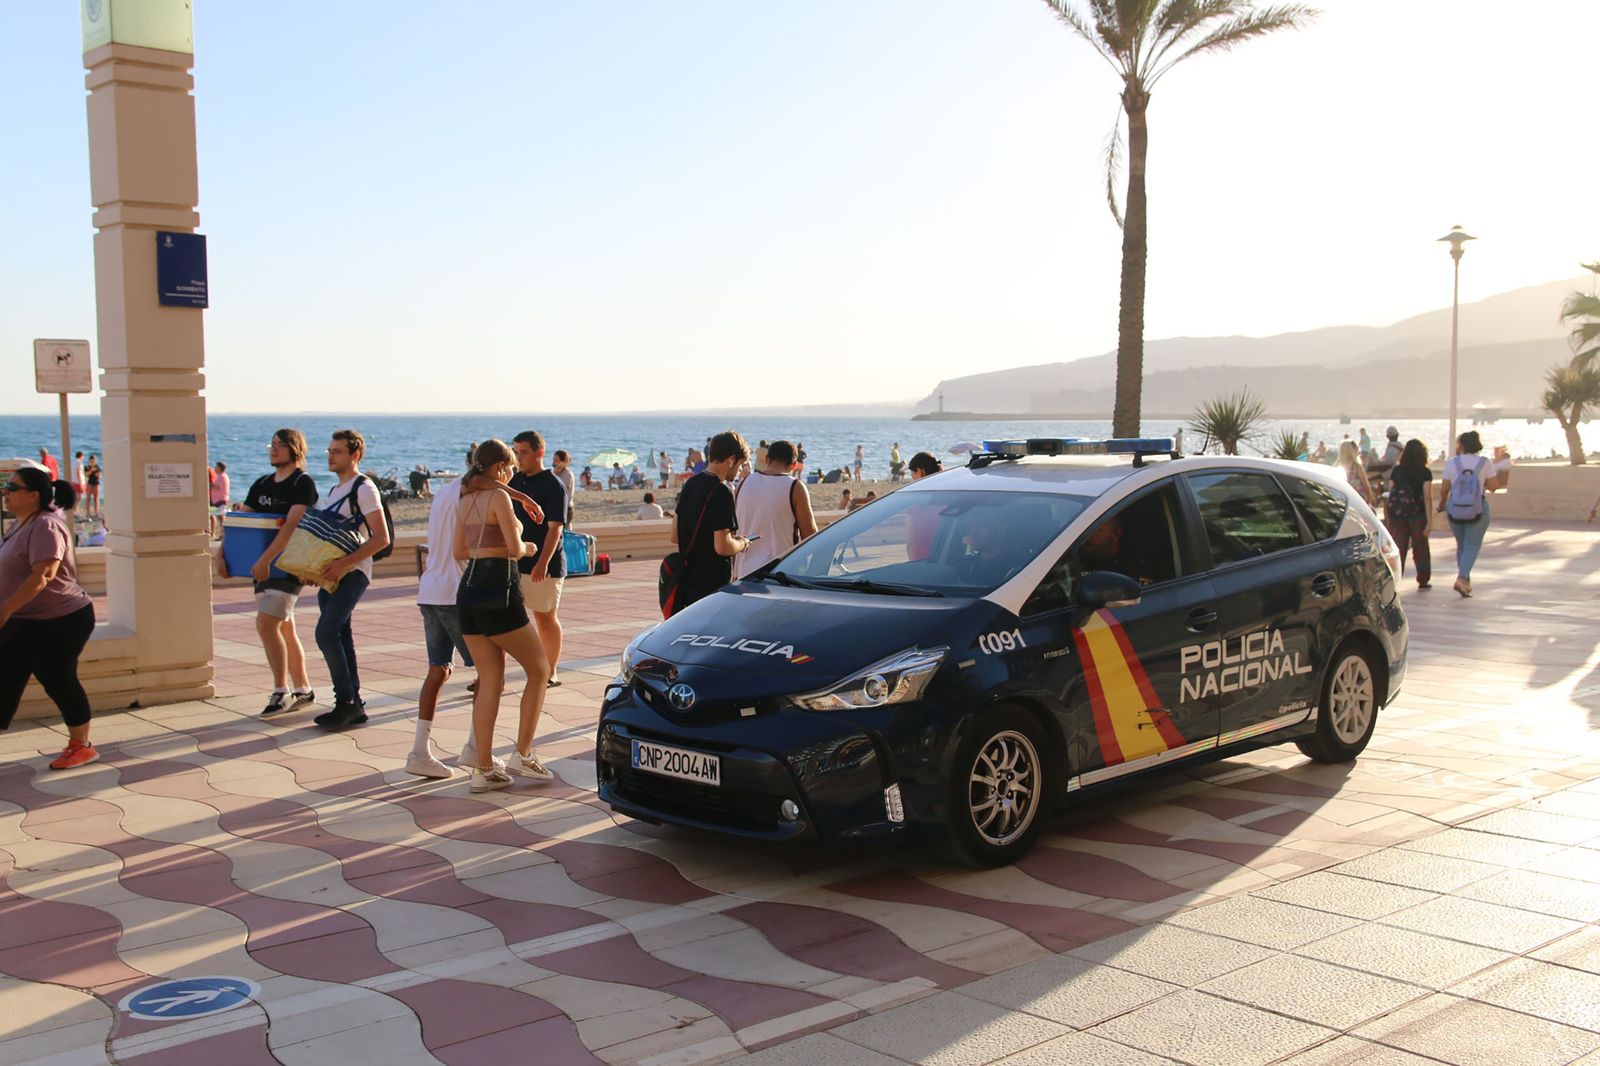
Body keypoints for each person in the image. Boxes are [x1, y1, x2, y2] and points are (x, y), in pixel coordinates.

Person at [454, 439, 554, 792]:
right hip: (499, 591)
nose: (512, 476)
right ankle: (523, 753)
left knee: (490, 678)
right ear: (500, 467)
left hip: (467, 593)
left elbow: (459, 550)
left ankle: (483, 767)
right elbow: (515, 549)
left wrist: (488, 548)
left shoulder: (465, 499)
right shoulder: (498, 498)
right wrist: (527, 547)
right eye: (509, 469)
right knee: (539, 669)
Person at [0, 468, 98, 769]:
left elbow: (43, 576)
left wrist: (4, 611)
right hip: (25, 618)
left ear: (34, 495)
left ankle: (82, 746)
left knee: (58, 680)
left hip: (60, 620)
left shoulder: (45, 526)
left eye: (11, 487)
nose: (5, 491)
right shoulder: (20, 522)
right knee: (4, 678)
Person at [222, 429, 318, 718]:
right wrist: (221, 554)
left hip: (286, 568)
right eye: (272, 445)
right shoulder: (262, 483)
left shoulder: (303, 483)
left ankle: (281, 691)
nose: (274, 450)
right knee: (283, 627)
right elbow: (240, 521)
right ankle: (303, 689)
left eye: (280, 445)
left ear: (295, 449)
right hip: (261, 568)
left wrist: (266, 559)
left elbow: (291, 527)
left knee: (266, 624)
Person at [311, 429, 392, 730]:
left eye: (338, 451)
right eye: (329, 451)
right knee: (341, 636)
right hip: (332, 575)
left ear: (355, 455)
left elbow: (380, 538)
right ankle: (351, 704)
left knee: (326, 633)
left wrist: (344, 563)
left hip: (353, 573)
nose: (331, 456)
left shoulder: (364, 489)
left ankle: (345, 701)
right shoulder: (334, 492)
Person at [408, 469, 476, 778]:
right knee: (491, 672)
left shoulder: (443, 493)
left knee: (438, 669)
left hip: (430, 590)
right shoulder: (470, 492)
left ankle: (420, 751)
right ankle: (476, 748)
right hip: (452, 594)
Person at [509, 431, 569, 688]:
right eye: (515, 451)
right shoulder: (514, 481)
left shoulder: (553, 485)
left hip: (546, 563)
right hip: (515, 559)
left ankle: (551, 670)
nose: (518, 457)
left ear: (539, 453)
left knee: (545, 618)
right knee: (506, 619)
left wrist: (542, 562)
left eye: (522, 452)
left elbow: (555, 528)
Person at [669, 430, 752, 614]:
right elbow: (722, 547)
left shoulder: (690, 485)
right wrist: (743, 543)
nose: (739, 471)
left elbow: (674, 536)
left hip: (688, 580)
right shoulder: (722, 491)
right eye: (740, 465)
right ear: (730, 460)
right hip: (712, 583)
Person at [734, 441, 818, 579]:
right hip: (781, 572)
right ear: (794, 465)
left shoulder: (743, 483)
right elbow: (809, 533)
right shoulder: (795, 487)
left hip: (744, 572)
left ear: (767, 459)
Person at [1438, 429, 1499, 598]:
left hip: (1455, 508)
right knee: (1472, 545)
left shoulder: (1452, 462)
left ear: (1461, 445)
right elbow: (1494, 486)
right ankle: (1462, 578)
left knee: (1462, 545)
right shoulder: (1484, 463)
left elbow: (1444, 489)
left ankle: (1465, 582)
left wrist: (1442, 504)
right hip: (1477, 508)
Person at [1385, 438, 1433, 590]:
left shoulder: (1397, 471)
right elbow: (1427, 496)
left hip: (1398, 515)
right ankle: (1423, 579)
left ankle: (1395, 579)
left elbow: (1390, 493)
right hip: (1417, 515)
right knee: (1421, 548)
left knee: (1399, 548)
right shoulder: (1425, 472)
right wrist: (1430, 520)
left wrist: (1388, 517)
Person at [1338, 440, 1377, 508]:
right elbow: (1366, 485)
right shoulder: (1356, 466)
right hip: (1358, 499)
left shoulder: (1338, 467)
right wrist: (1371, 498)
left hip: (1344, 499)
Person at [208, 460, 231, 538]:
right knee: (220, 517)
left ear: (220, 468)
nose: (215, 468)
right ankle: (223, 534)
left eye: (216, 467)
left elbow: (217, 486)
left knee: (221, 517)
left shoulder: (222, 476)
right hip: (219, 499)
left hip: (221, 499)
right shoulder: (222, 476)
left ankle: (224, 535)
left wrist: (209, 485)